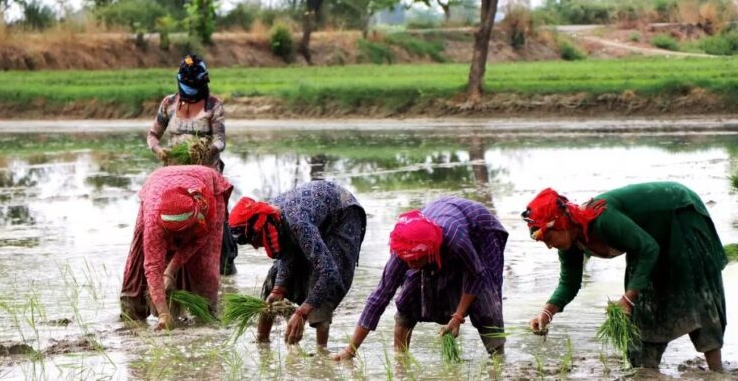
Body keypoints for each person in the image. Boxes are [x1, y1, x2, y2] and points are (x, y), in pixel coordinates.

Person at [521, 182, 727, 371]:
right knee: (640, 308)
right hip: (646, 240)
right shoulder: (569, 242)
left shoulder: (602, 219)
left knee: (696, 291)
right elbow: (569, 282)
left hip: (679, 214)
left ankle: (717, 372)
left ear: (562, 224)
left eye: (549, 238)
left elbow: (648, 248)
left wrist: (627, 298)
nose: (549, 245)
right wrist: (546, 313)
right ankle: (645, 369)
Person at [334, 196, 509, 361]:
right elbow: (380, 296)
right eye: (408, 261)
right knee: (410, 291)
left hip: (481, 231)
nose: (411, 265)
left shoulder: (456, 240)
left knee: (485, 294)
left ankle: (498, 358)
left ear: (431, 251)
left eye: (417, 260)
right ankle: (400, 359)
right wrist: (350, 350)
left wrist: (458, 317)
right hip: (432, 231)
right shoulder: (404, 249)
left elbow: (475, 274)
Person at [228, 181, 366, 347]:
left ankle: (321, 354)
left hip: (343, 215)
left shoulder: (298, 223)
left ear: (260, 228)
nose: (256, 246)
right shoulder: (272, 217)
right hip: (312, 217)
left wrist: (302, 312)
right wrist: (279, 287)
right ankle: (262, 342)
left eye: (254, 240)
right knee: (273, 280)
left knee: (321, 282)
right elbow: (288, 251)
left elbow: (329, 271)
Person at [146, 54, 237, 276]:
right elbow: (152, 136)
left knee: (216, 229)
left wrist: (207, 149)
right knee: (175, 224)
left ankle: (224, 274)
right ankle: (175, 273)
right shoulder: (169, 103)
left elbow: (220, 140)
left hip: (207, 177)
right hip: (175, 178)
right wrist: (159, 150)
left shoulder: (213, 105)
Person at [120, 165, 233, 330]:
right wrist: (164, 314)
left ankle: (206, 314)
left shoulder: (204, 207)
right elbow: (152, 266)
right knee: (138, 262)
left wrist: (170, 271)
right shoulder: (154, 221)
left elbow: (197, 241)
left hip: (206, 181)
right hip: (157, 183)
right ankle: (133, 314)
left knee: (205, 265)